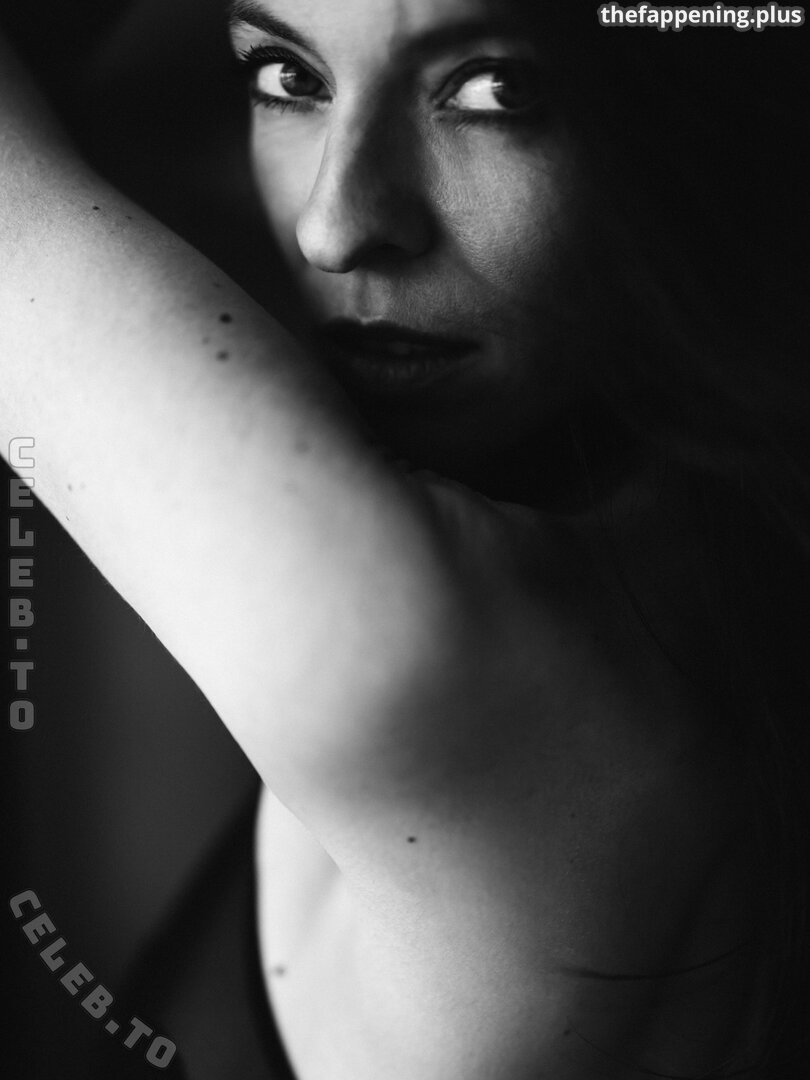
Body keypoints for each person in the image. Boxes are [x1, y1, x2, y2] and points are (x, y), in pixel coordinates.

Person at [2, 0, 808, 1076]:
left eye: (499, 91)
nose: (334, 225)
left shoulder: (455, 649)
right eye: (287, 77)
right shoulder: (711, 572)